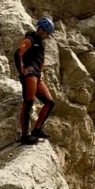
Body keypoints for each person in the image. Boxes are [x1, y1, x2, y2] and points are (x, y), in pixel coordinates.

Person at [15, 17, 56, 146]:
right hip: (30, 74)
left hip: (37, 75)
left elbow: (40, 60)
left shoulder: (41, 43)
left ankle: (37, 130)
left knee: (49, 102)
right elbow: (18, 53)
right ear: (41, 30)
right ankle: (25, 136)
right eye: (47, 33)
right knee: (29, 102)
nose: (47, 36)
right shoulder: (30, 39)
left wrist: (40, 73)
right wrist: (22, 72)